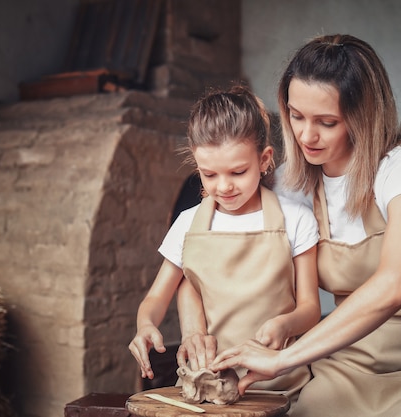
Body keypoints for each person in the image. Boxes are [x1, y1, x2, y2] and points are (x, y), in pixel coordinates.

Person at [204, 34, 401, 416]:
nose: (306, 135)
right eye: (295, 115)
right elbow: (200, 246)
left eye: (326, 122)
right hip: (348, 365)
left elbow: (395, 285)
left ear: (362, 115)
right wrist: (197, 332)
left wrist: (284, 359)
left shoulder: (400, 166)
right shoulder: (292, 182)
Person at [128, 85, 321, 398]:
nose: (225, 186)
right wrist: (146, 325)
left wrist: (284, 325)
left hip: (281, 380)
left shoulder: (296, 218)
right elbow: (155, 300)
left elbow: (311, 307)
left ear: (264, 160)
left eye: (238, 171)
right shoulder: (188, 224)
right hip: (209, 382)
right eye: (210, 175)